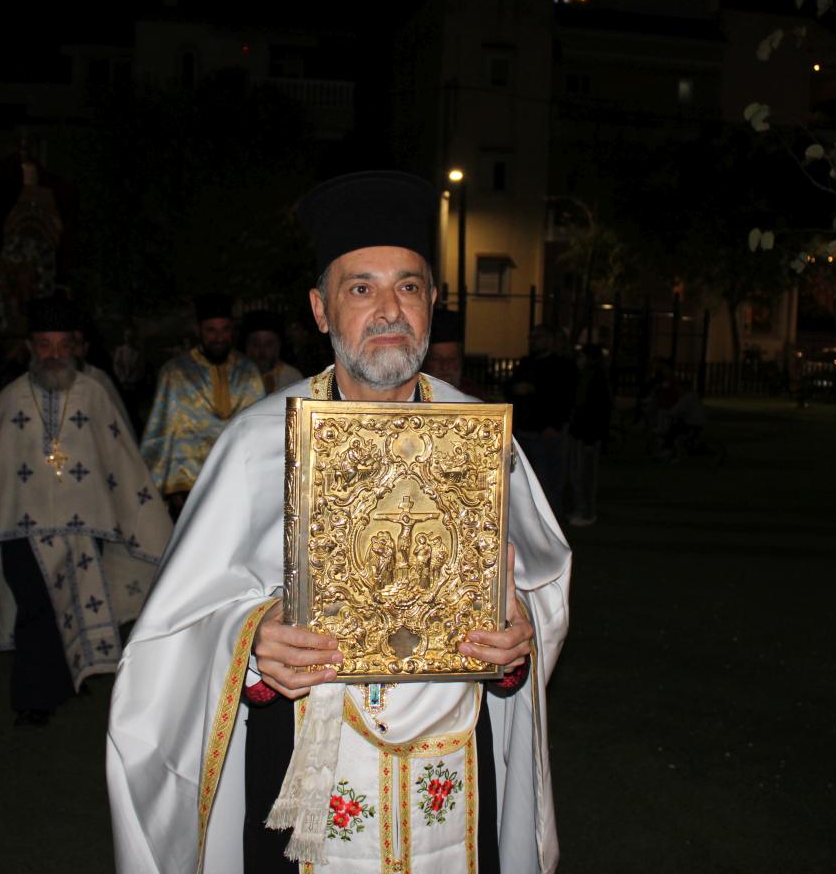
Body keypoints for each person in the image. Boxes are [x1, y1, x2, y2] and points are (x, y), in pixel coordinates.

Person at [106, 171, 571, 873]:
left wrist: (514, 645)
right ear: (321, 309)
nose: (389, 310)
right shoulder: (257, 444)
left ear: (432, 302)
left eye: (408, 286)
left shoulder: (484, 440)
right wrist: (250, 643)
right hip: (299, 761)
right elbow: (173, 634)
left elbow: (536, 591)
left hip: (452, 770)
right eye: (361, 289)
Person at [0, 296, 172, 727]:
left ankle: (57, 683)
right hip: (21, 530)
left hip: (83, 527)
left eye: (62, 345)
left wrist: (135, 519)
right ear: (30, 346)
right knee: (35, 608)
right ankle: (31, 700)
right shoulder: (11, 398)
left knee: (72, 605)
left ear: (75, 347)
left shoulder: (94, 395)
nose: (54, 355)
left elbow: (119, 459)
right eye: (45, 345)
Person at [139, 293, 265, 516]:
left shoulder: (248, 371)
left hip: (238, 481)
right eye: (211, 330)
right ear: (198, 331)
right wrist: (165, 486)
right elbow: (161, 433)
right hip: (187, 487)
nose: (219, 337)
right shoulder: (175, 373)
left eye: (225, 330)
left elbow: (259, 429)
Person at [506, 327, 577, 515]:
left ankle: (551, 517)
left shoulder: (561, 365)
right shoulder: (526, 363)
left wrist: (555, 424)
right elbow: (510, 387)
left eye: (538, 337)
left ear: (549, 340)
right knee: (526, 479)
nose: (533, 341)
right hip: (525, 429)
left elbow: (564, 398)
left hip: (547, 431)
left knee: (547, 480)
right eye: (532, 337)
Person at [566, 344, 611, 527]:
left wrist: (591, 439)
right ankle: (581, 509)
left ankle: (587, 512)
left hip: (587, 434)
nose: (579, 360)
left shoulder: (595, 378)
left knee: (585, 475)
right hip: (581, 432)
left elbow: (597, 411)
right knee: (578, 474)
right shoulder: (586, 376)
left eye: (582, 357)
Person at [421, 306, 490, 399]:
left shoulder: (474, 396)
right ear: (425, 361)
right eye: (436, 359)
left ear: (460, 361)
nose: (445, 366)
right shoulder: (412, 397)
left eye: (452, 358)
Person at [241, 309, 303, 394]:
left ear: (278, 346)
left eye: (268, 344)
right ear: (247, 347)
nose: (262, 351)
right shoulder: (236, 377)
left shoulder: (292, 377)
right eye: (256, 344)